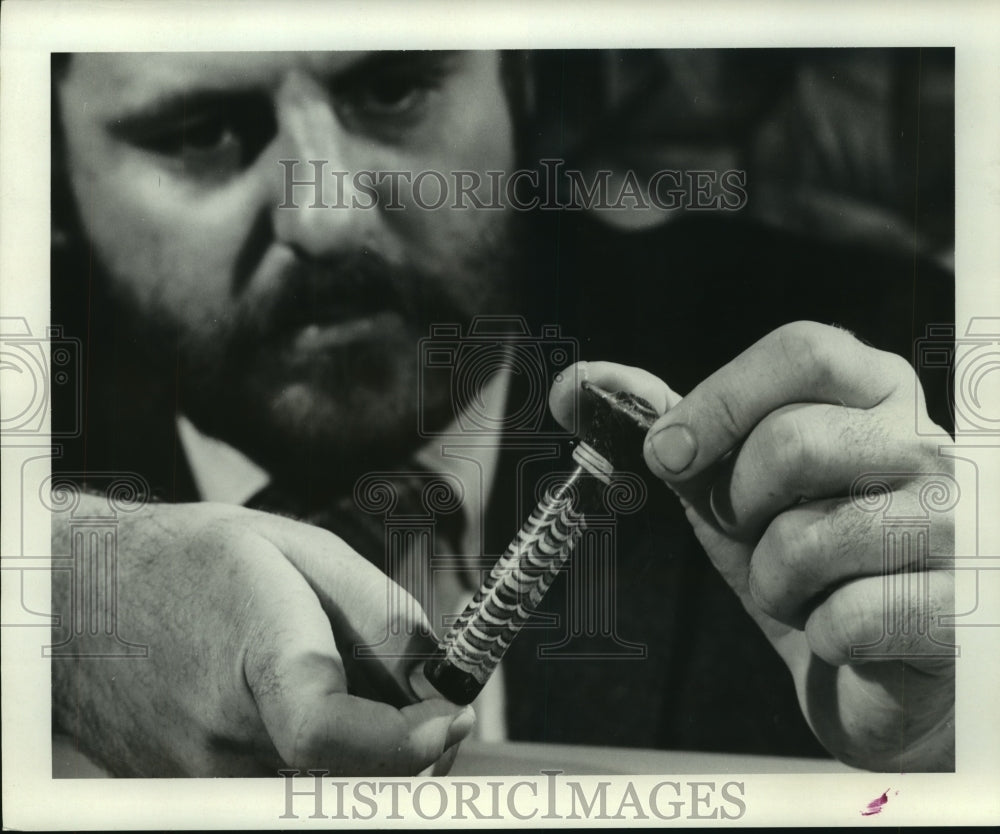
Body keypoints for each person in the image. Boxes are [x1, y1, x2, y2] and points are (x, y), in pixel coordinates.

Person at [49, 49, 956, 777]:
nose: (324, 216)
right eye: (201, 133)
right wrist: (56, 617)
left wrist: (954, 736)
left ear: (520, 86)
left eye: (394, 87)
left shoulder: (897, 367)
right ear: (49, 173)